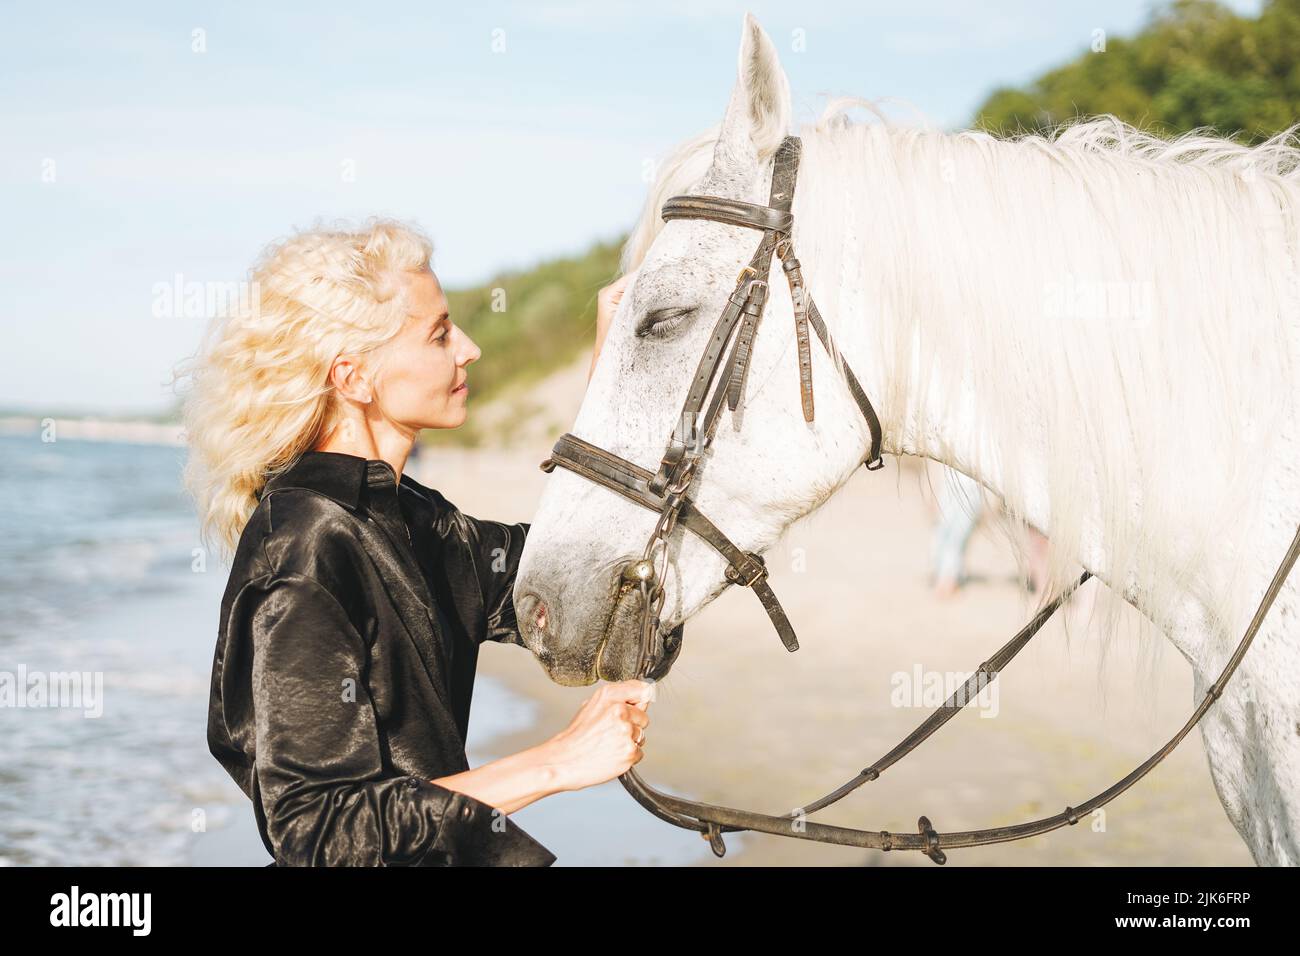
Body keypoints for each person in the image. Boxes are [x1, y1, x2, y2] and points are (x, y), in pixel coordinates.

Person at [179, 217, 647, 866]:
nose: (470, 348)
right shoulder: (306, 548)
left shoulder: (413, 518)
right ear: (354, 378)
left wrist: (612, 372)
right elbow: (319, 831)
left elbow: (567, 581)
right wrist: (557, 762)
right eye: (440, 333)